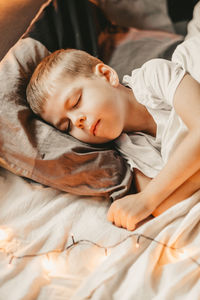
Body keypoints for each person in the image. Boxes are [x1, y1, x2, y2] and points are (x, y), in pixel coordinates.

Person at [26, 41, 200, 231]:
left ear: (107, 75)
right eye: (67, 126)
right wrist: (152, 199)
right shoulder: (125, 151)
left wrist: (148, 198)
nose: (77, 121)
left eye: (76, 103)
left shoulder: (153, 76)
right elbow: (163, 206)